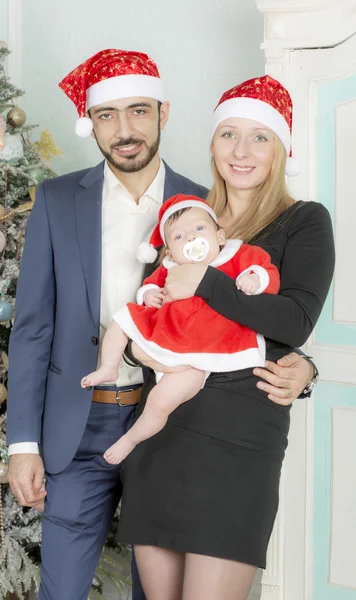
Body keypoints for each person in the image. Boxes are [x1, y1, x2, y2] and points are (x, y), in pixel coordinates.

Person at [5, 46, 316, 600]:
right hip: (80, 427)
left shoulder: (208, 207)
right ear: (92, 125)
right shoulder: (57, 200)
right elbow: (32, 326)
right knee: (62, 591)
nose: (125, 130)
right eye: (107, 114)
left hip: (180, 427)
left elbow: (249, 316)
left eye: (139, 111)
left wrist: (304, 367)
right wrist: (21, 442)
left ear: (164, 114)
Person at [116, 75, 336, 600]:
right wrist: (132, 347)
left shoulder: (303, 221)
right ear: (212, 143)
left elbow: (294, 320)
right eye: (228, 134)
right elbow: (151, 310)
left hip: (239, 441)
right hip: (162, 434)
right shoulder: (185, 217)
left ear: (282, 149)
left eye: (260, 137)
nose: (241, 151)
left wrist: (206, 282)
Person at [82, 194, 280, 464]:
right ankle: (109, 366)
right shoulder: (170, 267)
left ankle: (131, 438)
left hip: (206, 351)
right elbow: (152, 283)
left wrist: (255, 278)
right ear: (169, 252)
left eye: (199, 229)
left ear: (220, 236)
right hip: (168, 333)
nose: (190, 238)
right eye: (178, 236)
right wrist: (149, 293)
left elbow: (268, 272)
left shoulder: (238, 256)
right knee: (123, 319)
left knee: (161, 402)